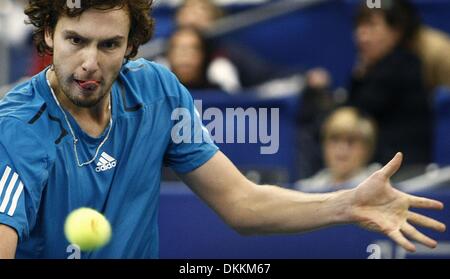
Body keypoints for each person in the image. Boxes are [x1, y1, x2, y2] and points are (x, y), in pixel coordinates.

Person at [0, 0, 445, 259]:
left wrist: (347, 202)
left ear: (133, 46)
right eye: (76, 40)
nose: (90, 63)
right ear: (48, 38)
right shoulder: (19, 128)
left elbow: (242, 203)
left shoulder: (158, 92)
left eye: (110, 44)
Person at [348, 0, 432, 166]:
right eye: (359, 26)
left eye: (371, 26)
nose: (361, 35)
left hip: (402, 169)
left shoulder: (402, 66)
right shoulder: (371, 68)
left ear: (396, 32)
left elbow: (357, 113)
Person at [296, 107, 380, 192]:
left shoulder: (379, 188)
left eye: (351, 141)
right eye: (335, 140)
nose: (342, 148)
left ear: (367, 148)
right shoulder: (305, 189)